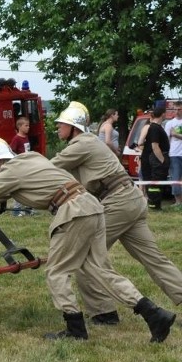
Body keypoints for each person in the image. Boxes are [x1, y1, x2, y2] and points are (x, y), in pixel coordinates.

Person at [0, 137, 176, 342]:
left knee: (56, 272)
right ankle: (154, 314)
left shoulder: (10, 173)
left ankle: (75, 329)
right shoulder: (31, 158)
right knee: (99, 270)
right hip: (93, 206)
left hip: (73, 211)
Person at [51, 101, 182, 326]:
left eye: (61, 124)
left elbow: (48, 168)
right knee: (155, 259)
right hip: (129, 199)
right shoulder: (88, 142)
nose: (57, 128)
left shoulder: (81, 144)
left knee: (85, 257)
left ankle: (104, 313)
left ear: (73, 127)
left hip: (116, 202)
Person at [141, 106, 170, 210]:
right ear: (162, 114)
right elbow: (155, 146)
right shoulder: (154, 128)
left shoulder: (157, 127)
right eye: (165, 113)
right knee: (155, 182)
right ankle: (154, 206)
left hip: (158, 158)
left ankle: (156, 205)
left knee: (158, 182)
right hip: (157, 159)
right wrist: (162, 160)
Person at [9, 117, 33, 216]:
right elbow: (11, 151)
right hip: (20, 166)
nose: (28, 127)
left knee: (29, 187)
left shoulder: (26, 137)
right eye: (26, 125)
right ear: (19, 126)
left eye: (28, 125)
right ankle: (16, 210)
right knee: (19, 187)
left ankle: (28, 208)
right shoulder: (16, 139)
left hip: (27, 166)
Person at [163, 103, 182, 207]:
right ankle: (178, 201)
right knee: (176, 177)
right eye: (175, 109)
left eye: (179, 109)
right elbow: (166, 140)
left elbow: (173, 135)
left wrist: (175, 135)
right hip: (174, 154)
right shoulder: (169, 123)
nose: (177, 111)